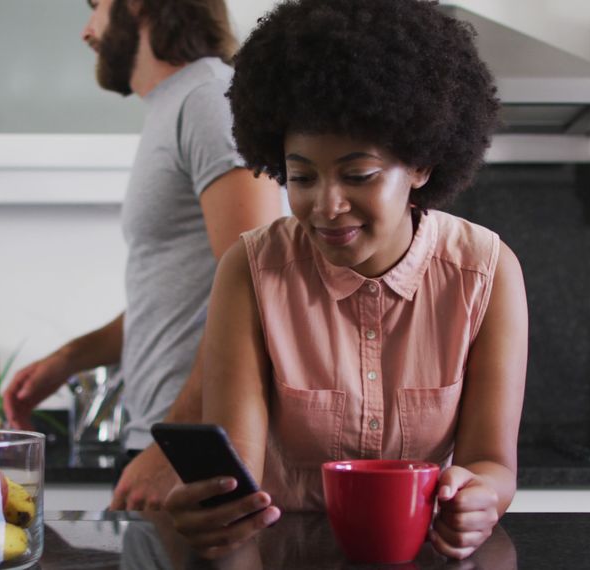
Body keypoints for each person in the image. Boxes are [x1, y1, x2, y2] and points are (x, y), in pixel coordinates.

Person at [162, 0, 527, 561]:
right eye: (302, 176)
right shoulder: (252, 271)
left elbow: (492, 465)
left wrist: (480, 498)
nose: (327, 205)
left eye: (358, 175)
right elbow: (239, 472)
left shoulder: (485, 272)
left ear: (422, 164)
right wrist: (210, 508)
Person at [1, 0, 283, 511]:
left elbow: (260, 286)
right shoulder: (178, 104)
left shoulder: (208, 98)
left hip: (202, 446)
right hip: (173, 436)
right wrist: (68, 360)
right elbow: (185, 298)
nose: (87, 30)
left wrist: (175, 443)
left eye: (96, 7)